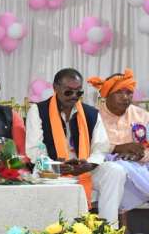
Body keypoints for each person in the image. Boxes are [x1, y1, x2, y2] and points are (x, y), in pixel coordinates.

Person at [25, 68, 126, 225]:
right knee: (41, 170)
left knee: (115, 171)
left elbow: (101, 147)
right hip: (52, 171)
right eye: (68, 92)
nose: (74, 96)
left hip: (83, 170)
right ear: (55, 88)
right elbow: (34, 151)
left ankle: (108, 228)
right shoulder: (38, 111)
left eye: (78, 92)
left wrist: (89, 164)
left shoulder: (91, 113)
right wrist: (56, 167)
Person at [88, 69, 149, 212]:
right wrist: (116, 151)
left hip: (141, 167)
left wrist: (141, 155)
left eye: (129, 92)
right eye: (119, 92)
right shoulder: (92, 116)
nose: (125, 97)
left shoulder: (142, 115)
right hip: (104, 169)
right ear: (106, 95)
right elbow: (87, 149)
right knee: (117, 170)